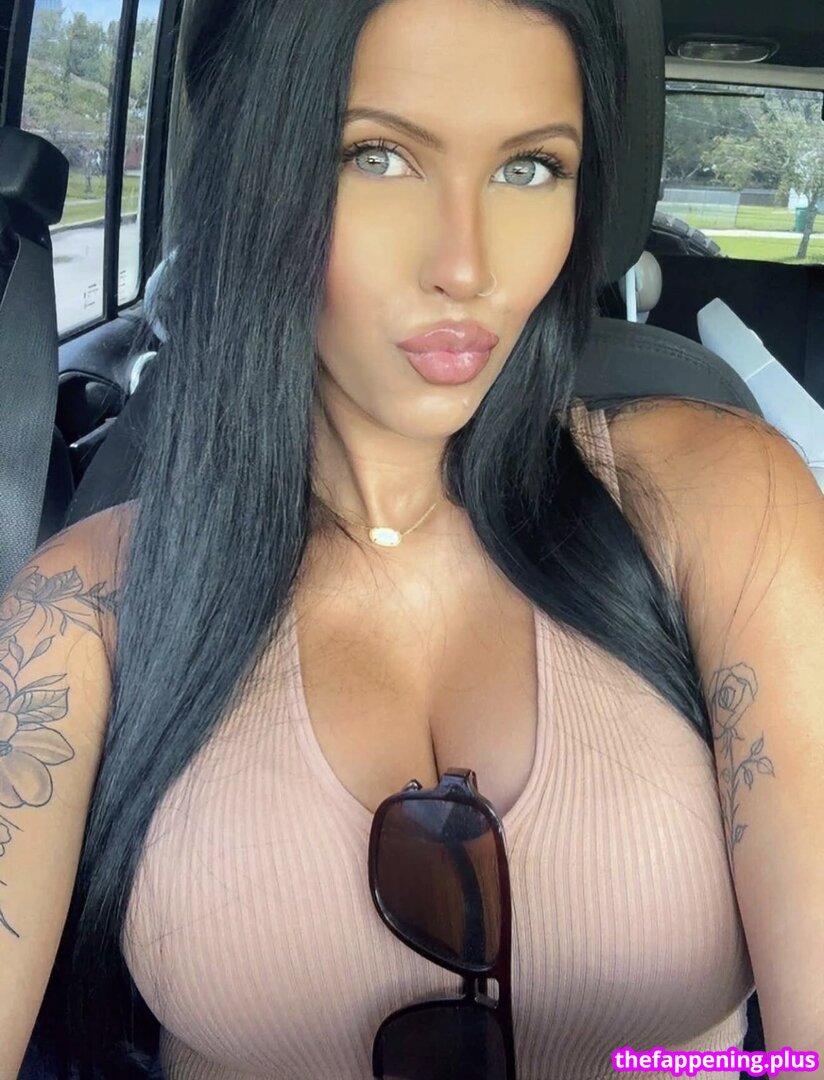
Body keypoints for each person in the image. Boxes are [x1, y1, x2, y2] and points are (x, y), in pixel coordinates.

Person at [2, 0, 823, 1077]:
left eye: (529, 167)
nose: (466, 267)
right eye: (377, 156)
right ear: (255, 172)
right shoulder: (81, 608)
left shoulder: (723, 500)